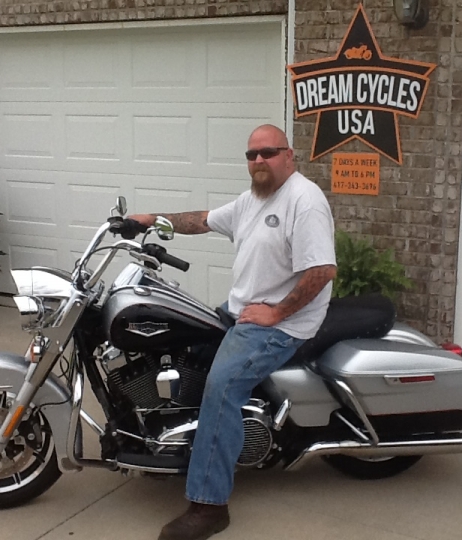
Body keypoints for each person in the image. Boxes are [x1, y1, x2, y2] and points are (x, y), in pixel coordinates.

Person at [129, 124, 336, 540]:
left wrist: (277, 313)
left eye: (268, 152)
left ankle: (209, 505)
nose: (259, 160)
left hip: (283, 325)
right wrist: (151, 219)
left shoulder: (304, 200)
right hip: (242, 311)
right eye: (251, 155)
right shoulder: (252, 200)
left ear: (289, 156)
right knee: (184, 344)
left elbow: (322, 270)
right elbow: (202, 220)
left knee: (222, 388)